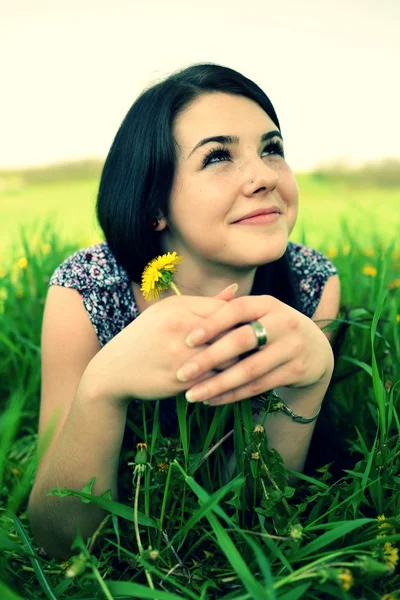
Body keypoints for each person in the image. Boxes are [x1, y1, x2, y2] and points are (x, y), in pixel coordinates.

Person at [28, 63, 341, 560]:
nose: (263, 176)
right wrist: (101, 388)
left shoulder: (312, 284)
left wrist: (307, 384)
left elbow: (257, 524)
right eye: (218, 156)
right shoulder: (85, 291)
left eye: (271, 148)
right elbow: (55, 540)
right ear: (155, 203)